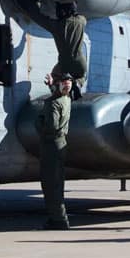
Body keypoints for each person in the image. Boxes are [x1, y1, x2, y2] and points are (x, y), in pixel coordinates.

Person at [37, 71, 73, 229]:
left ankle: (58, 220)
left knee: (51, 185)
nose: (67, 84)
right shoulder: (66, 99)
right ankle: (60, 217)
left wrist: (38, 123)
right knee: (58, 182)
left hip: (51, 144)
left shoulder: (53, 103)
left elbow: (51, 127)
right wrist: (52, 85)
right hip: (61, 143)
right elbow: (59, 94)